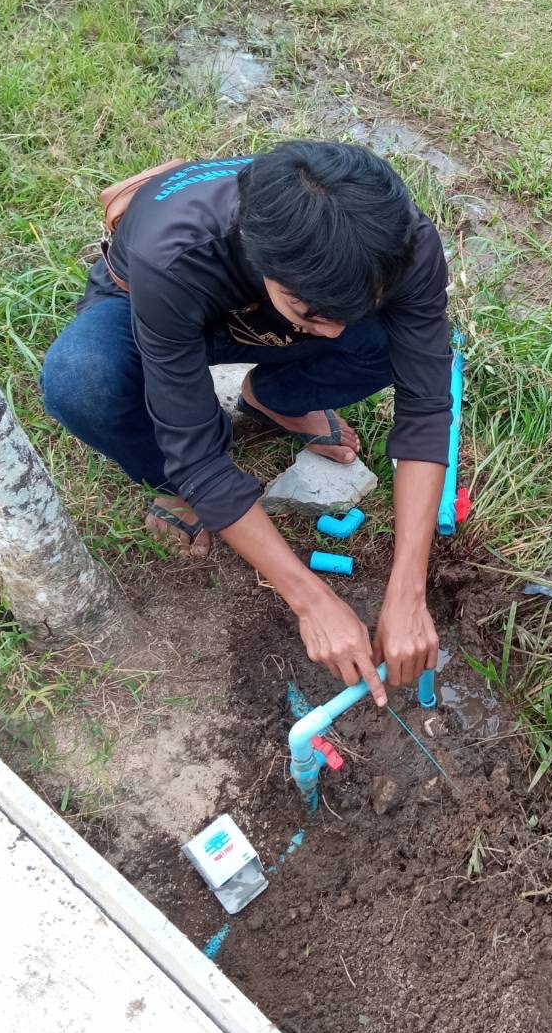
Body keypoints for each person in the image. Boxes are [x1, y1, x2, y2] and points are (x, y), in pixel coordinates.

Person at [41, 142, 451, 702]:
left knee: (390, 344)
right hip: (163, 306)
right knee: (82, 377)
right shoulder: (178, 254)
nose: (333, 333)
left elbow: (426, 405)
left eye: (345, 314)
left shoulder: (401, 241)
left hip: (261, 307)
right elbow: (200, 457)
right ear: (262, 264)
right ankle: (169, 487)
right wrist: (311, 601)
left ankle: (274, 396)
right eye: (313, 314)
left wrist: (408, 590)